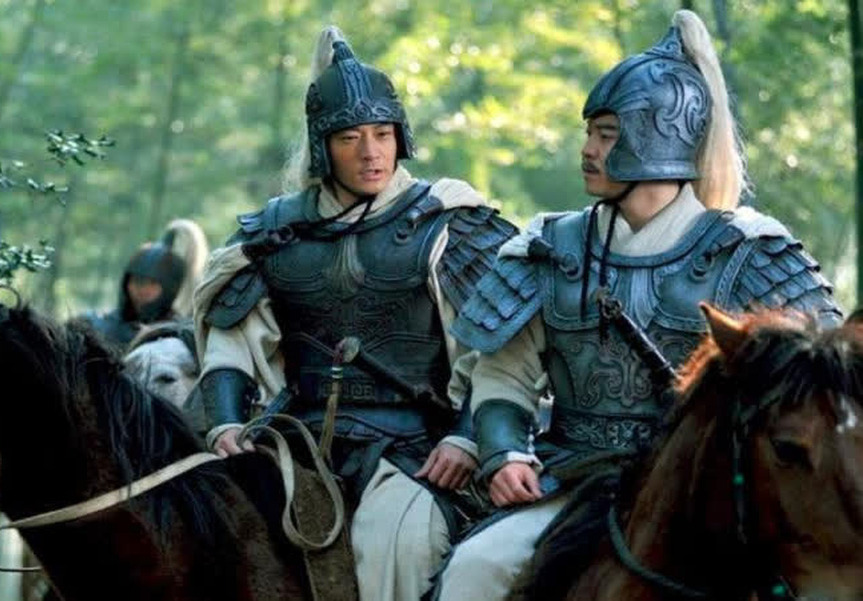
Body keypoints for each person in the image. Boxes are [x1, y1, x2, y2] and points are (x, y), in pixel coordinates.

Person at [433, 10, 842, 600]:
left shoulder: (749, 252)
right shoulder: (551, 246)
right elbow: (504, 376)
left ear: (655, 138)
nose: (587, 150)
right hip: (573, 483)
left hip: (707, 493)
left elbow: (816, 388)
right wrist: (504, 455)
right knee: (476, 569)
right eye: (590, 133)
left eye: (606, 134)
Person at [190, 26, 516, 601]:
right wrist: (225, 424)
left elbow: (497, 352)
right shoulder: (276, 233)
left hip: (417, 448)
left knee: (402, 543)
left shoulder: (446, 222)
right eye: (351, 138)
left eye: (383, 135)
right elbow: (231, 344)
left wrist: (467, 440)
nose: (371, 153)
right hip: (294, 442)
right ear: (323, 147)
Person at [83, 219, 207, 352]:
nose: (142, 289)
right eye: (136, 280)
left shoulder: (176, 336)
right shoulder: (99, 325)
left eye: (152, 283)